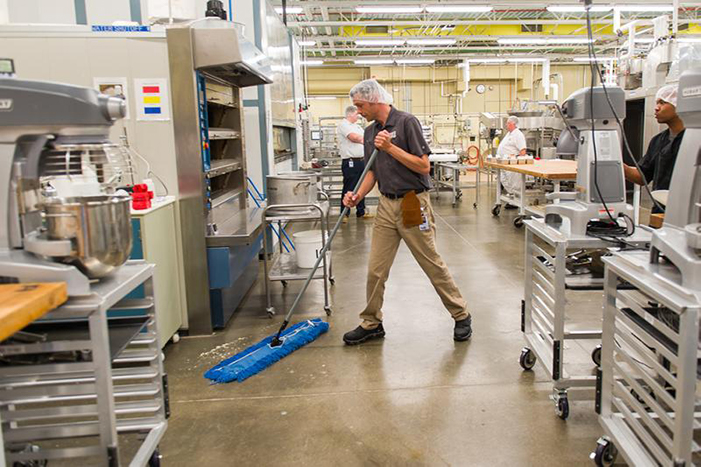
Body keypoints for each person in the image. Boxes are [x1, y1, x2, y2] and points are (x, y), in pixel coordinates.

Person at [341, 79, 472, 345]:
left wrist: (390, 147)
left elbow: (424, 167)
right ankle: (372, 322)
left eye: (361, 105)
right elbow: (373, 173)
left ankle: (461, 314)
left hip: (413, 203)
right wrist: (357, 195)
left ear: (375, 100)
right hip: (386, 206)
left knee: (431, 263)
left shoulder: (406, 122)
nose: (359, 111)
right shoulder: (368, 132)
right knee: (375, 270)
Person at [623, 84, 685, 211]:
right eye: (657, 102)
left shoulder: (693, 140)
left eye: (662, 102)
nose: (656, 108)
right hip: (659, 211)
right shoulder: (658, 140)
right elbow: (642, 177)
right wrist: (616, 165)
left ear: (679, 104)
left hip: (687, 213)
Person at [337, 105, 373, 222]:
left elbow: (365, 136)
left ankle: (361, 212)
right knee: (349, 187)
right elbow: (353, 138)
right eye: (357, 114)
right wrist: (368, 141)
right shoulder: (344, 125)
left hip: (361, 160)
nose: (359, 116)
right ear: (351, 114)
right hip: (351, 161)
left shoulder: (357, 126)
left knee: (361, 187)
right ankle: (344, 214)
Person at [497, 116, 527, 201]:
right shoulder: (509, 134)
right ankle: (512, 197)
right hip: (504, 163)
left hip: (512, 163)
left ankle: (517, 201)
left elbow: (523, 150)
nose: (506, 125)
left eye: (508, 123)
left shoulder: (518, 134)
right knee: (504, 180)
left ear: (513, 124)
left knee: (514, 183)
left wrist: (519, 164)